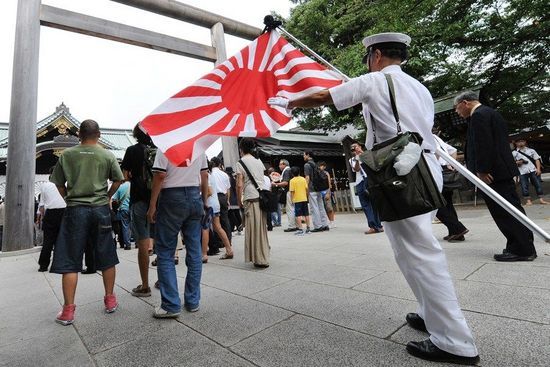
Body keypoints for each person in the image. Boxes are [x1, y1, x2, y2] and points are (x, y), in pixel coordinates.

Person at [269, 32, 479, 365]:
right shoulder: (419, 87)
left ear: (376, 55)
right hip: (421, 167)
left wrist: (290, 101)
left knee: (420, 253)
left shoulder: (374, 81)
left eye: (368, 57)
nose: (367, 62)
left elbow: (326, 96)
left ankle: (455, 341)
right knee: (408, 251)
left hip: (401, 173)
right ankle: (430, 313)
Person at [50, 119, 124, 325]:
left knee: (70, 258)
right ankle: (110, 300)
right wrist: (107, 196)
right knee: (107, 254)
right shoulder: (107, 154)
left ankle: (68, 311)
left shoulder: (68, 155)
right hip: (100, 209)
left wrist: (68, 198)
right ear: (99, 135)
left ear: (79, 136)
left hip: (75, 209)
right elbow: (118, 179)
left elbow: (58, 182)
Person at [455, 91, 536, 262]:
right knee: (512, 209)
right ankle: (523, 244)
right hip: (501, 170)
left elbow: (484, 144)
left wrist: (482, 170)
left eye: (457, 108)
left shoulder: (479, 116)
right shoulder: (490, 113)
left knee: (504, 211)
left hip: (493, 174)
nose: (457, 112)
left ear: (465, 103)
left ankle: (521, 249)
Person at [147, 150, 208, 318]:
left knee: (166, 251)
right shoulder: (199, 147)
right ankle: (193, 301)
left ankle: (171, 304)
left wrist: (152, 205)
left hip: (171, 197)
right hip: (195, 195)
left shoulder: (165, 145)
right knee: (194, 250)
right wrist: (204, 202)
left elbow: (160, 175)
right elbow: (204, 175)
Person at [121, 124, 155, 297]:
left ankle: (145, 285)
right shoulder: (157, 149)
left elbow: (125, 176)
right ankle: (163, 279)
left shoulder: (131, 150)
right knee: (161, 240)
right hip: (157, 200)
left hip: (139, 199)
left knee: (142, 242)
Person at [236, 138, 270, 268]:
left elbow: (239, 185)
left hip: (250, 197)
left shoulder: (241, 162)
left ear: (241, 149)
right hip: (261, 197)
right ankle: (263, 254)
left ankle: (260, 258)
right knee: (261, 228)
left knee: (253, 229)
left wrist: (239, 200)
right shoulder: (258, 160)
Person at [433, 134, 469, 242]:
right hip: (446, 172)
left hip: (436, 172)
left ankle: (458, 229)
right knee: (448, 204)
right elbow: (453, 150)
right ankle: (454, 232)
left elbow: (434, 153)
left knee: (436, 205)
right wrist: (450, 163)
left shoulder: (425, 136)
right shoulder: (435, 137)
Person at [349, 142, 383, 234]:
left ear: (360, 147)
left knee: (374, 204)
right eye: (352, 148)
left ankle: (378, 225)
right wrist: (356, 159)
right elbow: (356, 169)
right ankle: (372, 226)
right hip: (360, 182)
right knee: (366, 205)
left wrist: (362, 153)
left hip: (370, 180)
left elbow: (374, 164)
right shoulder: (352, 159)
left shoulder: (368, 155)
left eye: (355, 147)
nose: (354, 149)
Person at [37, 167, 67, 272]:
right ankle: (61, 263)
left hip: (50, 213)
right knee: (64, 240)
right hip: (64, 212)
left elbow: (41, 206)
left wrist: (42, 218)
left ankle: (43, 265)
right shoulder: (66, 184)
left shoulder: (45, 186)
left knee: (48, 241)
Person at [513, 139, 548, 206]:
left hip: (532, 170)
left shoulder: (531, 150)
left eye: (522, 141)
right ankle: (528, 201)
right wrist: (517, 162)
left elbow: (537, 159)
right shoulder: (514, 153)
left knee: (538, 185)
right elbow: (511, 162)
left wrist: (538, 169)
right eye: (518, 141)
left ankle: (541, 200)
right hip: (522, 171)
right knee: (524, 186)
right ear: (516, 143)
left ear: (525, 142)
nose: (520, 143)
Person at [303, 151, 330, 232]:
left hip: (312, 188)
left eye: (304, 155)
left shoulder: (307, 165)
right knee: (321, 206)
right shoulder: (315, 164)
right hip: (319, 188)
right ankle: (325, 224)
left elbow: (307, 178)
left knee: (314, 207)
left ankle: (318, 226)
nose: (303, 156)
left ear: (308, 155)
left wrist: (306, 189)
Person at [210, 157, 232, 244]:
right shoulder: (225, 174)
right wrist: (227, 199)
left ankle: (219, 241)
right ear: (220, 164)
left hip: (214, 197)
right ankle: (228, 240)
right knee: (225, 219)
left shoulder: (211, 174)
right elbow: (228, 189)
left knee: (215, 221)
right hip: (223, 197)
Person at [289, 166, 311, 235]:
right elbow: (307, 189)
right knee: (306, 214)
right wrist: (307, 197)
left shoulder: (292, 181)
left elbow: (292, 191)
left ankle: (300, 229)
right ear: (299, 172)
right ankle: (308, 229)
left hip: (297, 199)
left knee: (298, 215)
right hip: (304, 198)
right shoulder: (303, 179)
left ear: (292, 173)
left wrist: (292, 200)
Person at [276, 159, 297, 232]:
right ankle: (296, 224)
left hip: (289, 191)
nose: (279, 166)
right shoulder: (288, 170)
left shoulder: (287, 170)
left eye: (280, 164)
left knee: (289, 208)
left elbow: (285, 183)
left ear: (284, 164)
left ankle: (292, 226)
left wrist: (276, 184)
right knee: (293, 208)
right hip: (292, 191)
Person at [112, 181, 131, 250]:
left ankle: (127, 244)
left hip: (124, 208)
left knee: (125, 226)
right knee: (134, 226)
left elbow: (114, 199)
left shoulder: (120, 187)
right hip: (132, 207)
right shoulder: (132, 185)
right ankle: (137, 243)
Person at [318, 161, 336, 227]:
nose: (320, 167)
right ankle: (325, 222)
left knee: (329, 208)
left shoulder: (326, 173)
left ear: (324, 167)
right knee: (322, 208)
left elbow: (329, 184)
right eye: (319, 166)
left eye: (322, 166)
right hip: (319, 192)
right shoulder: (317, 173)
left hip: (326, 191)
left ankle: (332, 222)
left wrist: (328, 192)